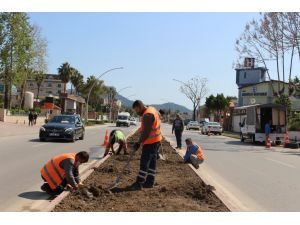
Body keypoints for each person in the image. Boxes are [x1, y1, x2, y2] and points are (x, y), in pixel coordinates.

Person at [129, 100, 162, 190]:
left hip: (150, 142)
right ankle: (150, 182)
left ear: (140, 107)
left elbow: (146, 132)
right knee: (152, 162)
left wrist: (138, 142)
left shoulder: (147, 115)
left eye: (136, 110)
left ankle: (139, 183)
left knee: (144, 163)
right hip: (156, 141)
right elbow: (147, 127)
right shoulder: (152, 109)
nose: (136, 112)